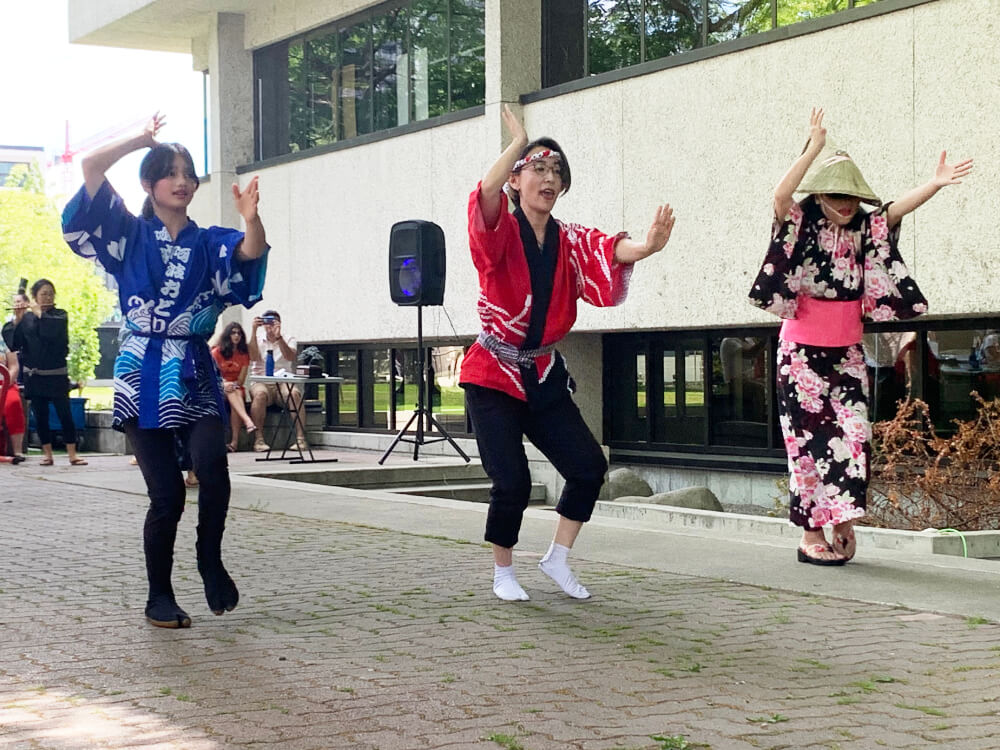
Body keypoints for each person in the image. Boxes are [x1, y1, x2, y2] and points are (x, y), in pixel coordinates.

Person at [62, 113, 269, 628]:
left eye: (188, 173)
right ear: (149, 184)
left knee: (213, 468)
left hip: (195, 368)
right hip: (139, 369)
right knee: (167, 495)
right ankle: (159, 595)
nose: (182, 181)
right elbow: (89, 166)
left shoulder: (208, 240)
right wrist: (139, 140)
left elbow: (249, 253)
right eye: (171, 172)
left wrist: (250, 217)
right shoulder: (127, 233)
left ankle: (209, 558)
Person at [460, 105, 675, 601]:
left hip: (542, 371)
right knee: (510, 478)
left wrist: (646, 247)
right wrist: (518, 143)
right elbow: (485, 195)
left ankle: (557, 558)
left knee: (586, 467)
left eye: (556, 170)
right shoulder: (501, 231)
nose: (549, 177)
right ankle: (503, 571)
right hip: (493, 372)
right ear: (516, 179)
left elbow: (606, 250)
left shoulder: (568, 239)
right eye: (538, 167)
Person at [748, 108, 972, 566]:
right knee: (808, 444)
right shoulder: (801, 223)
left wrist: (934, 183)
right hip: (801, 356)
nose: (846, 205)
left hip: (847, 353)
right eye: (836, 195)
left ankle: (843, 522)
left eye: (852, 197)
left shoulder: (865, 232)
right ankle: (811, 535)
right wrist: (812, 149)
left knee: (853, 438)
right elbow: (780, 194)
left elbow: (895, 209)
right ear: (821, 195)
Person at [9, 279, 86, 466]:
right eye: (43, 293)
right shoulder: (27, 318)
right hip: (35, 376)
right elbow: (14, 344)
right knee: (40, 415)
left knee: (65, 414)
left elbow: (51, 333)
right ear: (34, 296)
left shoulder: (60, 315)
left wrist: (38, 313)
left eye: (51, 293)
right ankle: (47, 454)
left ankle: (72, 454)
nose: (48, 296)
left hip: (56, 374)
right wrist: (18, 319)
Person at [247, 310, 305, 452]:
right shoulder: (258, 339)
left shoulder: (289, 338)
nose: (269, 326)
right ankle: (259, 439)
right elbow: (253, 357)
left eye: (273, 322)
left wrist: (279, 338)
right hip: (261, 380)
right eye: (266, 322)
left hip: (283, 379)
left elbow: (290, 357)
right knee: (260, 394)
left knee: (294, 394)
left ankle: (300, 438)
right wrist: (253, 331)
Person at [211, 321, 256, 451]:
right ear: (227, 335)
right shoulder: (217, 352)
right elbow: (213, 375)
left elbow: (241, 380)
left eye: (239, 333)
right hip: (219, 386)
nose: (236, 336)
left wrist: (232, 385)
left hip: (235, 388)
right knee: (232, 391)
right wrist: (224, 384)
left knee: (235, 393)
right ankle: (247, 421)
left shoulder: (243, 355)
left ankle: (234, 442)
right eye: (233, 333)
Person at [0, 334, 26, 463]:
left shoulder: (5, 339)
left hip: (6, 384)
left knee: (13, 403)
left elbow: (14, 367)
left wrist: (5, 384)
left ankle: (17, 450)